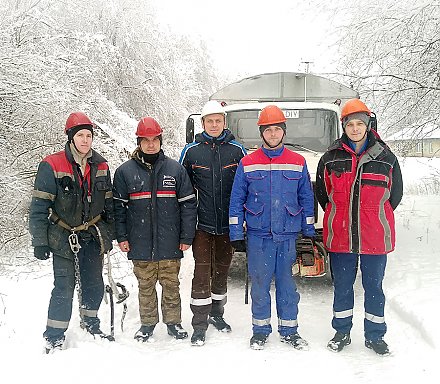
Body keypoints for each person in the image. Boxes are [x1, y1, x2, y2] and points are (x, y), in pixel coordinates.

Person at [315, 98, 403, 356]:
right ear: (344, 126)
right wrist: (342, 215)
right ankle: (341, 332)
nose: (355, 128)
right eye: (350, 124)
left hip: (375, 236)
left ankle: (375, 336)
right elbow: (324, 194)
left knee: (374, 287)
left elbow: (394, 195)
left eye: (359, 123)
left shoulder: (386, 158)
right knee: (342, 286)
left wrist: (372, 217)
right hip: (341, 235)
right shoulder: (330, 158)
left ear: (367, 125)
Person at [229, 105, 316, 350]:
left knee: (288, 285)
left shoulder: (298, 162)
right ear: (262, 133)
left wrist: (308, 231)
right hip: (259, 236)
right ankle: (260, 330)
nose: (273, 134)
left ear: (284, 131)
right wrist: (236, 233)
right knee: (260, 285)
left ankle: (289, 330)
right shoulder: (247, 162)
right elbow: (236, 200)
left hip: (287, 236)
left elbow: (306, 198)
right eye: (268, 130)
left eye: (277, 129)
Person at [29, 111, 115, 353]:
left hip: (92, 235)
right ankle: (55, 334)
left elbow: (110, 206)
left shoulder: (102, 165)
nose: (85, 140)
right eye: (80, 135)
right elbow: (38, 208)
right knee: (64, 287)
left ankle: (90, 321)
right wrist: (40, 241)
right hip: (62, 237)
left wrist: (109, 234)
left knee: (94, 284)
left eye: (89, 135)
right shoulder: (52, 165)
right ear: (71, 137)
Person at [113, 116, 197, 342]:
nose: (151, 144)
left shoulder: (175, 170)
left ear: (161, 141)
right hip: (139, 242)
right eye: (146, 140)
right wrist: (121, 236)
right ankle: (147, 324)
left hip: (170, 242)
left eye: (155, 139)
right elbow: (117, 209)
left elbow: (189, 205)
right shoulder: (124, 172)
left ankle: (174, 323)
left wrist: (186, 236)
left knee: (171, 285)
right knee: (146, 286)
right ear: (138, 142)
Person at [179, 100, 246, 346]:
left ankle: (217, 314)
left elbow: (246, 188)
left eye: (218, 120)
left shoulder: (237, 151)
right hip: (202, 225)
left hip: (228, 225)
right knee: (201, 272)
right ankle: (199, 323)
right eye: (210, 121)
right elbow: (182, 191)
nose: (214, 124)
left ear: (224, 122)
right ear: (203, 123)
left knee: (222, 271)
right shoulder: (191, 151)